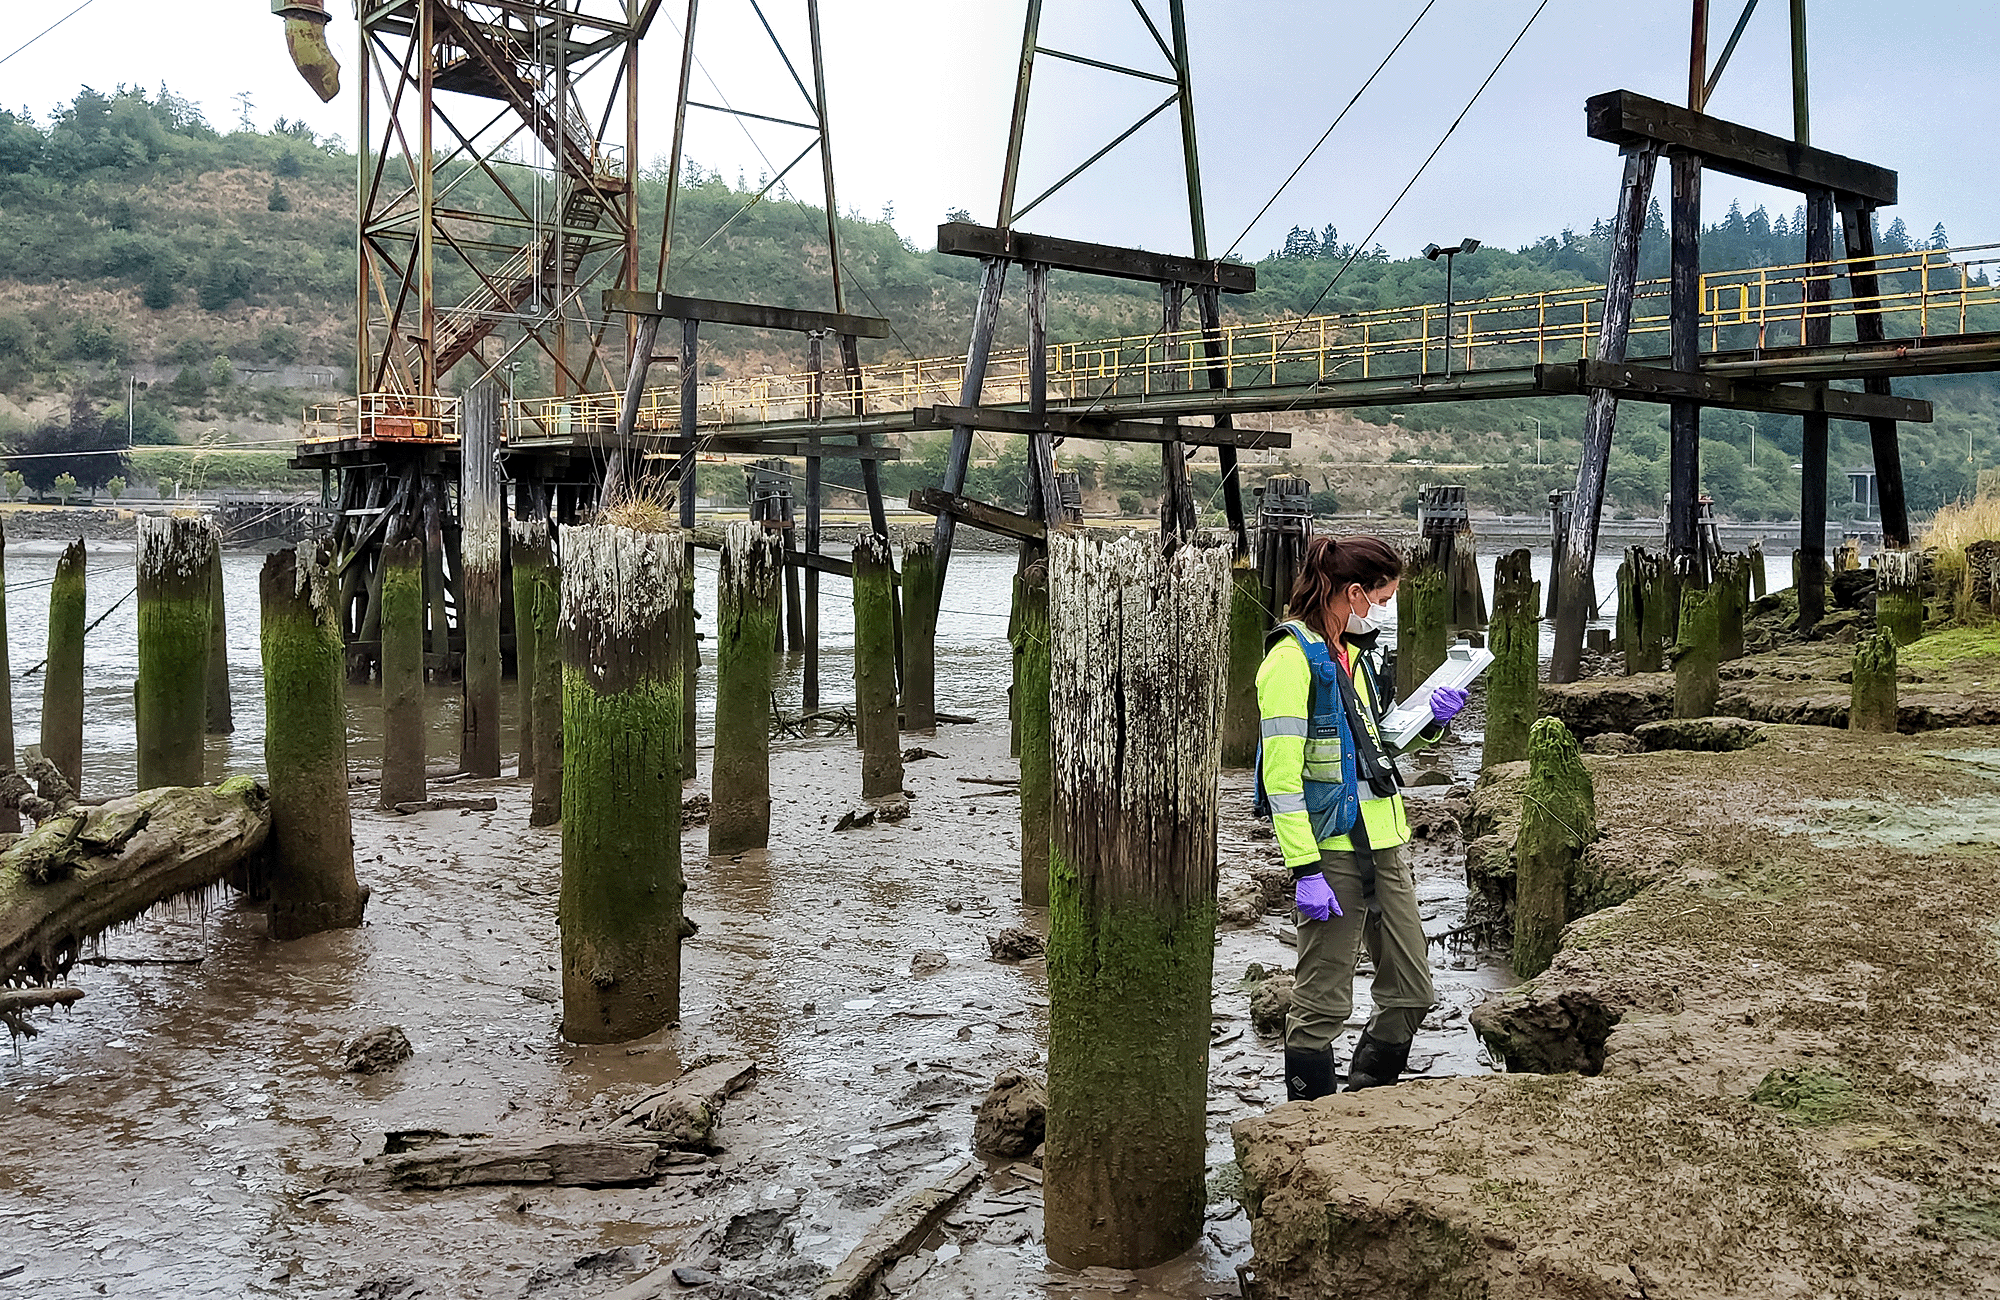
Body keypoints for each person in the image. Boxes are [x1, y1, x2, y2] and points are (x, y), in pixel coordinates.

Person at [1254, 535, 1466, 1101]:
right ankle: (1309, 1120)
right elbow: (1281, 780)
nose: (1386, 610)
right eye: (1384, 597)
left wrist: (1433, 721)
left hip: (1385, 841)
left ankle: (1367, 1094)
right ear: (1354, 592)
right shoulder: (1289, 662)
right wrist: (1305, 870)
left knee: (1412, 991)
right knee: (1323, 1001)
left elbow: (1378, 746)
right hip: (1331, 852)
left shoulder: (1354, 656)